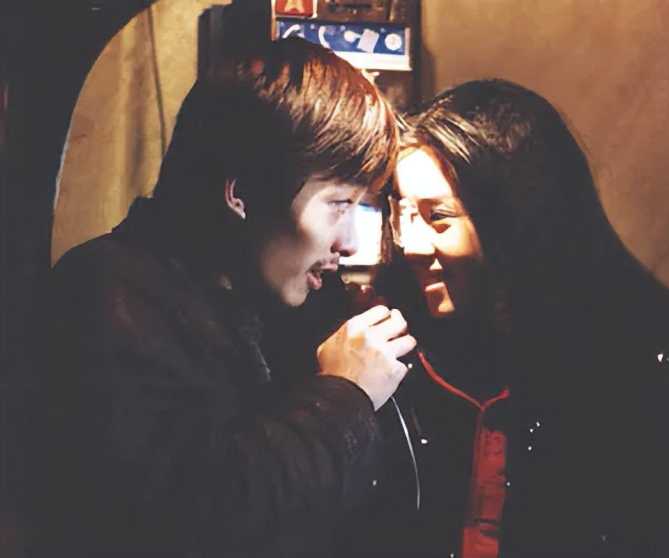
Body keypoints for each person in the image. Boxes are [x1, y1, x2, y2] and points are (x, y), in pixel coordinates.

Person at [344, 79, 669, 557]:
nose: (411, 245)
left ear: (515, 216)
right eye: (402, 214)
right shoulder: (394, 359)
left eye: (438, 217)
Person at [25, 38, 416, 557]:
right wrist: (344, 395)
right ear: (243, 193)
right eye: (338, 205)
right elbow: (193, 518)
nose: (348, 243)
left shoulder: (267, 297)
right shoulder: (104, 296)